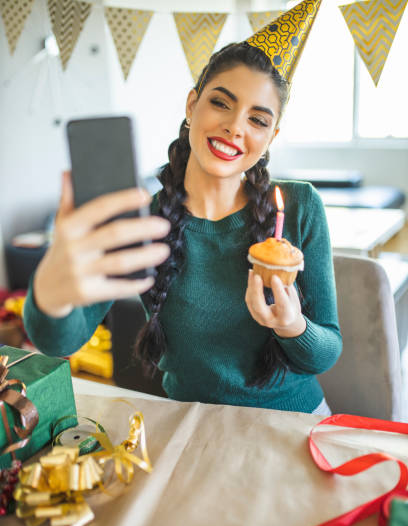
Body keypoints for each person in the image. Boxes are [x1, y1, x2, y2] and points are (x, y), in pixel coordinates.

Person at [23, 3, 342, 414]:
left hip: (293, 422)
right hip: (192, 426)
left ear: (271, 136)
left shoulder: (300, 207)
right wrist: (50, 289)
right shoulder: (143, 223)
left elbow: (326, 351)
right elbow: (61, 341)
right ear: (192, 106)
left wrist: (291, 326)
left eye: (258, 120)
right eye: (221, 103)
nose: (235, 127)